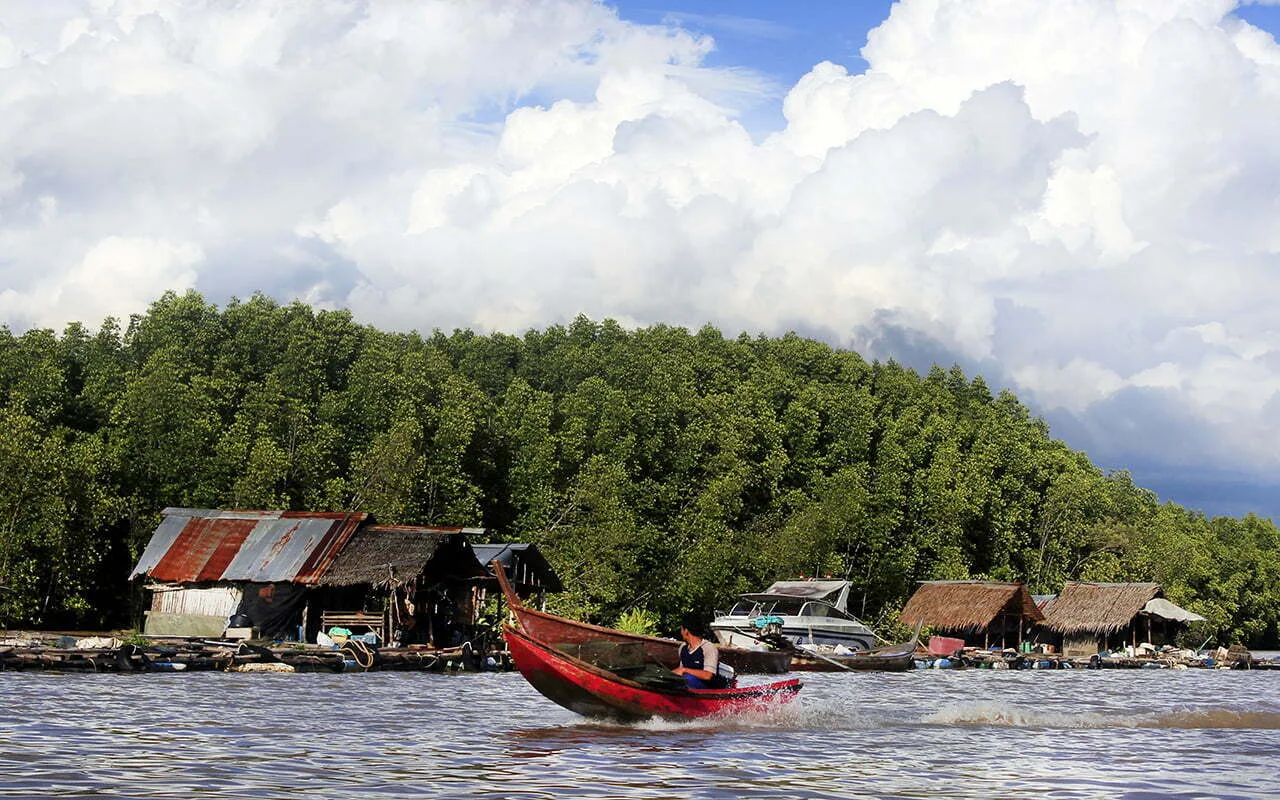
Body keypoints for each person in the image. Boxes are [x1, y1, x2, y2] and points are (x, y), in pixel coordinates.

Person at [674, 613, 725, 689]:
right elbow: (680, 671)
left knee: (687, 678)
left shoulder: (708, 648)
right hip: (688, 686)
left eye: (681, 629)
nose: (680, 632)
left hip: (707, 688)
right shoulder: (682, 648)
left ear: (686, 631)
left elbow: (708, 675)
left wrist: (684, 670)